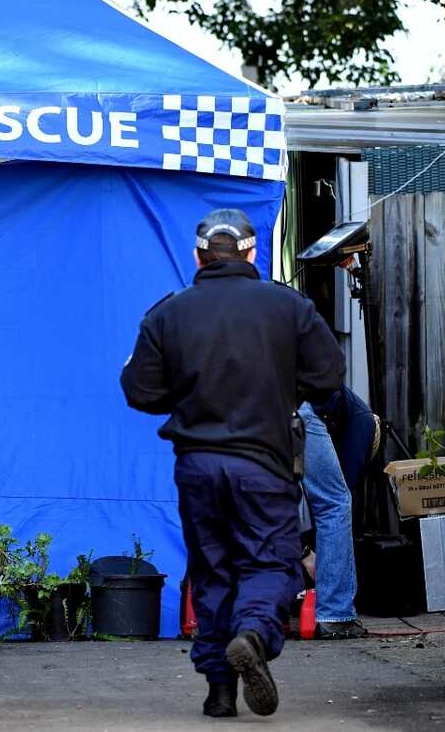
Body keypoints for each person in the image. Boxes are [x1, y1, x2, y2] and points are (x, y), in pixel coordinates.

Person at [120, 208, 345, 719]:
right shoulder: (288, 306)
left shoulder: (168, 313)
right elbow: (330, 376)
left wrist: (189, 389)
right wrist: (281, 389)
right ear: (251, 253)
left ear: (198, 256)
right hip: (264, 464)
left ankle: (219, 691)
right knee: (269, 562)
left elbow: (140, 390)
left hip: (197, 465)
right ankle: (254, 634)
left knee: (212, 570)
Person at [299, 402, 366, 639]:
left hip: (233, 405)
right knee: (333, 502)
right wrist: (306, 553)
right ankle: (335, 616)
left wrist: (303, 551)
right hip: (288, 404)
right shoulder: (362, 421)